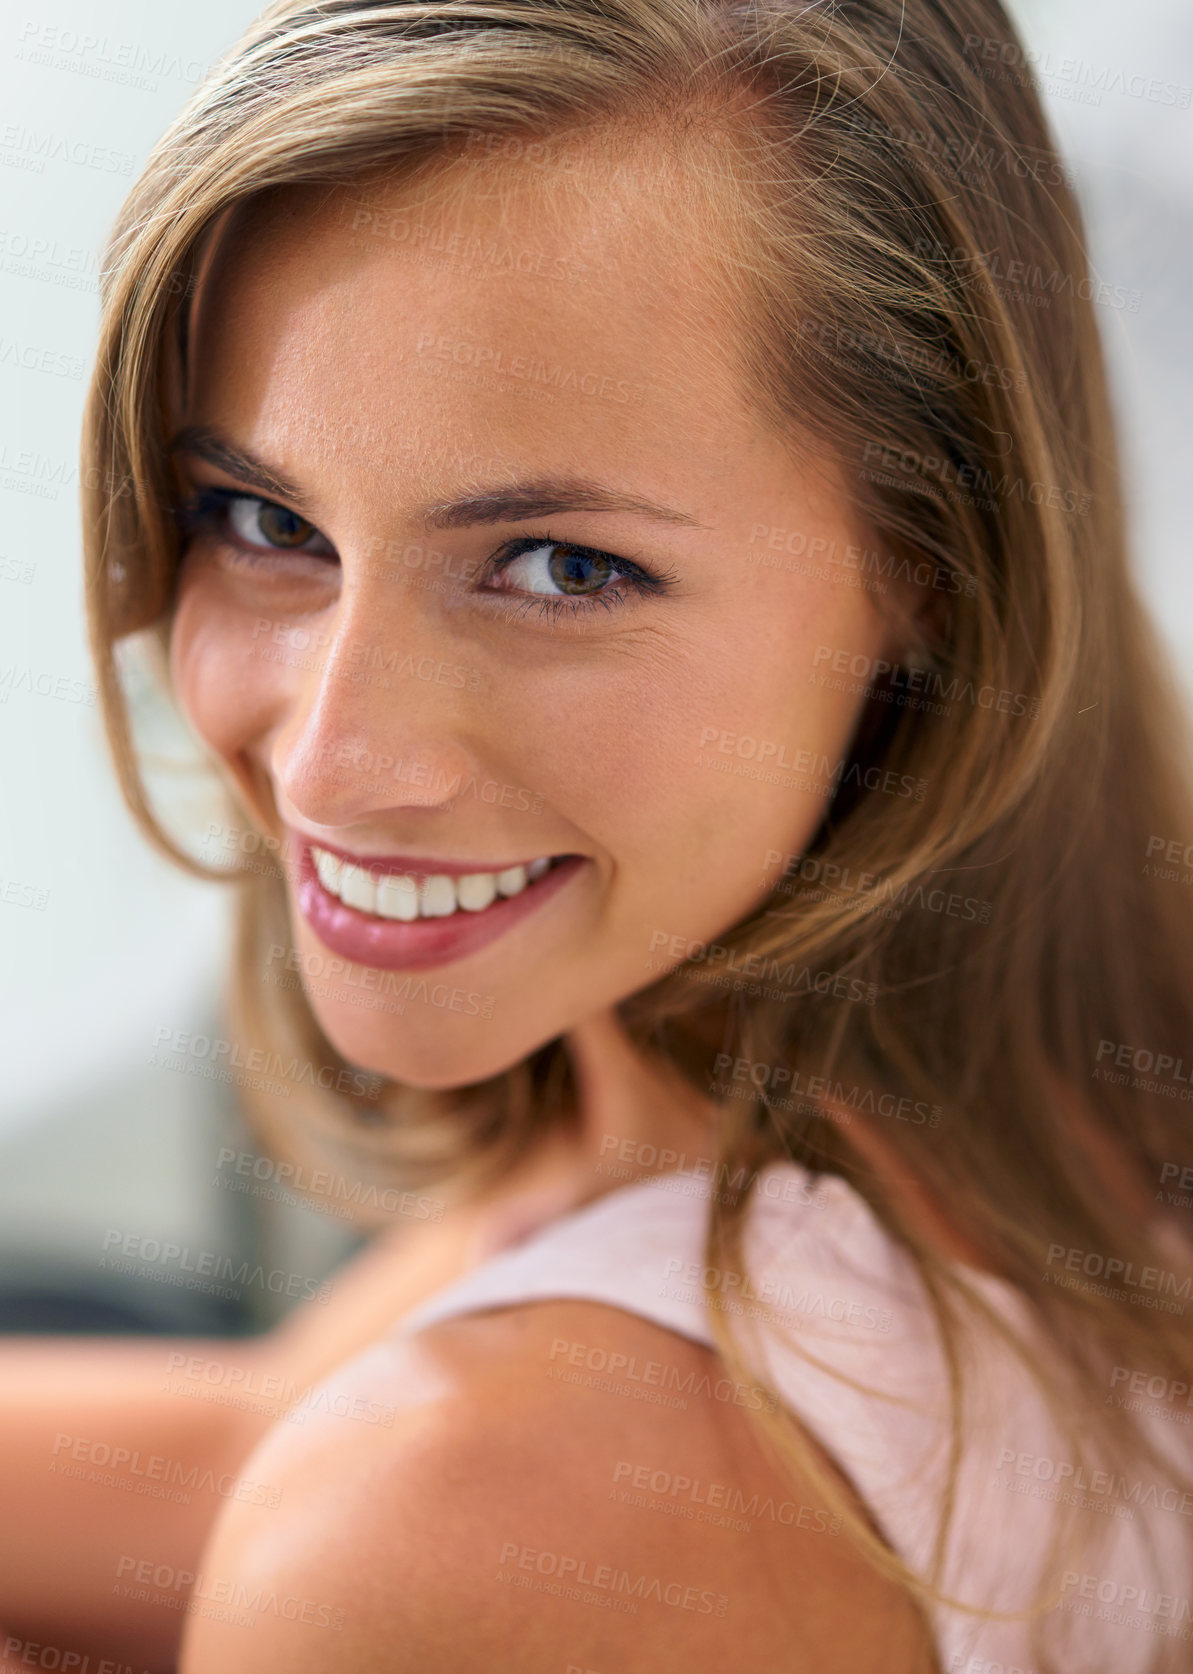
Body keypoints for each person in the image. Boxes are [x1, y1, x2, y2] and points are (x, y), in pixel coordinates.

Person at [3, 0, 1192, 1669]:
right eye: (265, 520)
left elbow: (379, 1509)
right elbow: (263, 1441)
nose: (338, 761)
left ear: (933, 559)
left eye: (561, 566)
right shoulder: (880, 1061)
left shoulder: (454, 1512)